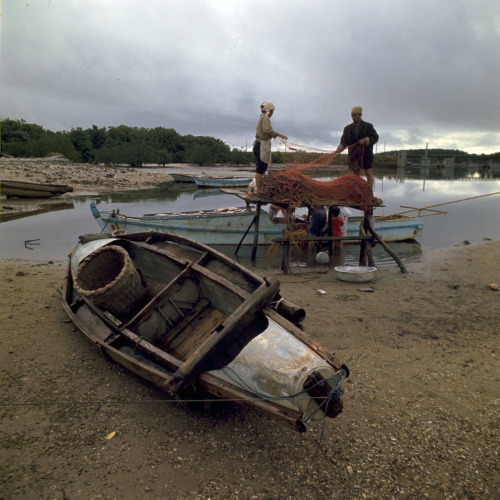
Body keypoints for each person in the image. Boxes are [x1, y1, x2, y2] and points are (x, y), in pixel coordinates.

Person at [336, 105, 378, 190]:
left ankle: (369, 193)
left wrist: (366, 140)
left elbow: (375, 137)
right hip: (353, 153)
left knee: (368, 173)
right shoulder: (347, 128)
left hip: (366, 154)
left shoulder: (368, 126)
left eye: (355, 115)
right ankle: (357, 192)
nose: (354, 117)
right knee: (355, 174)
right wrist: (341, 146)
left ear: (360, 115)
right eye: (352, 115)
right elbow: (344, 141)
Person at [253, 101, 288, 192]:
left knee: (261, 168)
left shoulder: (261, 118)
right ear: (269, 111)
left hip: (259, 145)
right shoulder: (265, 118)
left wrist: (274, 135)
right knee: (260, 169)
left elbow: (266, 131)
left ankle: (259, 189)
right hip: (261, 146)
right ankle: (259, 190)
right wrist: (279, 134)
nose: (272, 113)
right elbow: (267, 130)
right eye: (272, 111)